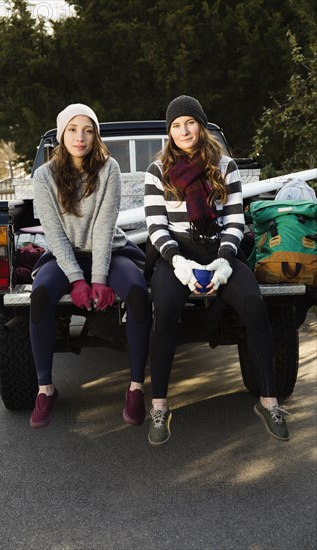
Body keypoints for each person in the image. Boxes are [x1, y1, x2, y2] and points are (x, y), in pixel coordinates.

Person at [144, 95, 291, 445]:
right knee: (164, 309)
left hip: (220, 251)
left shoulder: (225, 167)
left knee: (254, 305)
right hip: (176, 255)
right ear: (169, 132)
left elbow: (236, 221)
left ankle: (269, 402)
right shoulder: (157, 171)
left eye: (189, 122)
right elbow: (156, 227)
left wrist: (224, 264)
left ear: (201, 125)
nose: (184, 131)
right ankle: (160, 407)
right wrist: (181, 266)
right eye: (176, 125)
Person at [29, 103, 151, 428]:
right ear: (61, 134)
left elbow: (104, 225)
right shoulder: (44, 176)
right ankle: (45, 389)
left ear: (95, 134)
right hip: (64, 255)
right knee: (40, 294)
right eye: (72, 129)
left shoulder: (109, 168)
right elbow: (53, 233)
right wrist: (76, 280)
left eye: (87, 130)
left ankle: (136, 387)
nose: (80, 137)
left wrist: (97, 278)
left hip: (110, 251)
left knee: (138, 291)